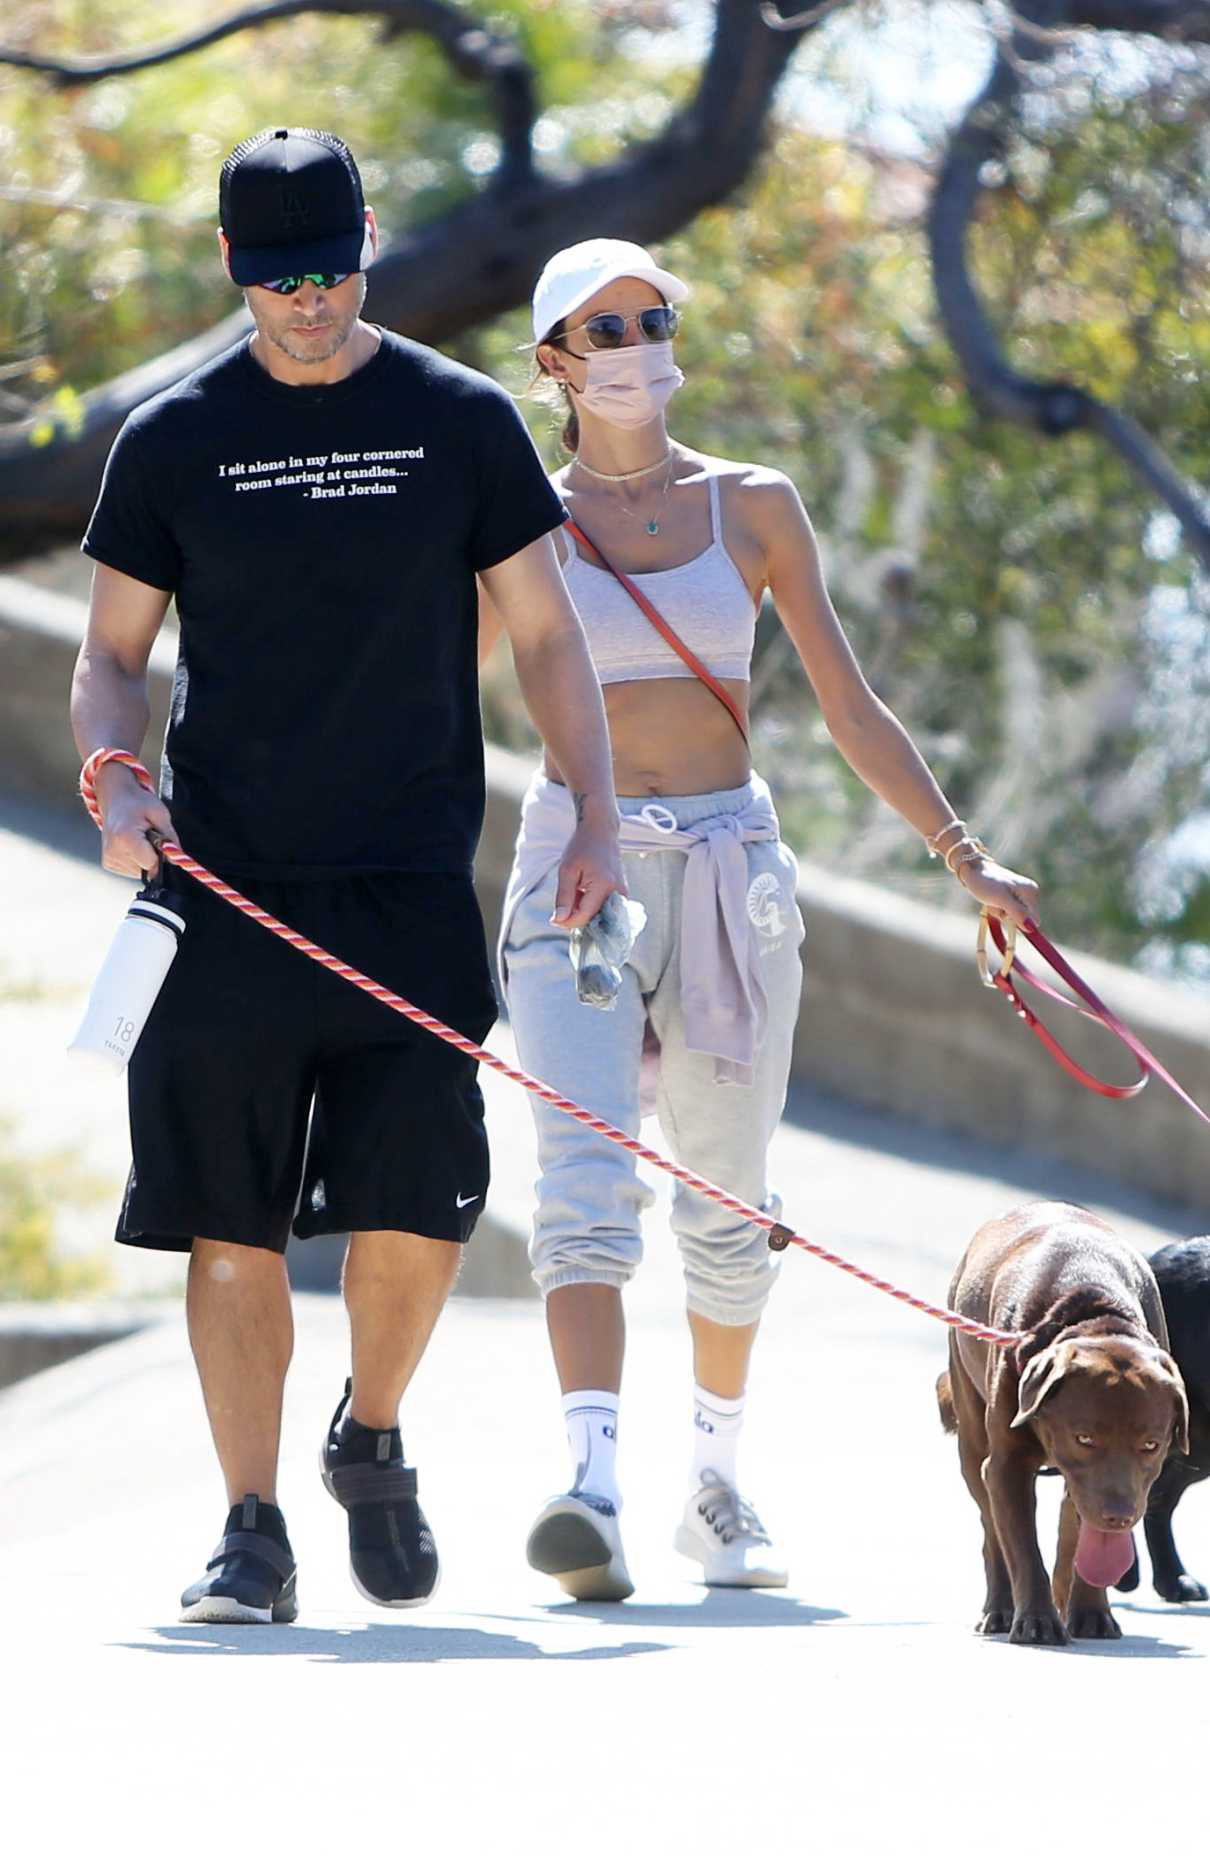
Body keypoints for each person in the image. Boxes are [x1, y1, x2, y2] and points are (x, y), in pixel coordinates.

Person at [72, 131, 622, 1624]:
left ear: (367, 246)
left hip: (405, 884)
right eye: (275, 278)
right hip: (225, 889)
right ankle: (249, 1528)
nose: (306, 302)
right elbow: (111, 659)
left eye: (328, 271)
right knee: (228, 1221)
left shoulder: (458, 420)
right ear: (236, 273)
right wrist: (115, 773)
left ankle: (370, 1431)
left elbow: (552, 633)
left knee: (420, 1201)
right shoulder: (172, 437)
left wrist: (591, 811)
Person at [480, 237, 1042, 1601]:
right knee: (583, 1187)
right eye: (601, 330)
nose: (633, 344)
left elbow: (847, 708)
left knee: (727, 1199)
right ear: (553, 362)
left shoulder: (755, 506)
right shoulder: (514, 520)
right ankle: (593, 1486)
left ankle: (716, 1488)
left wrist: (963, 856)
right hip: (577, 867)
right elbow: (427, 698)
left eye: (650, 317)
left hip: (735, 863)